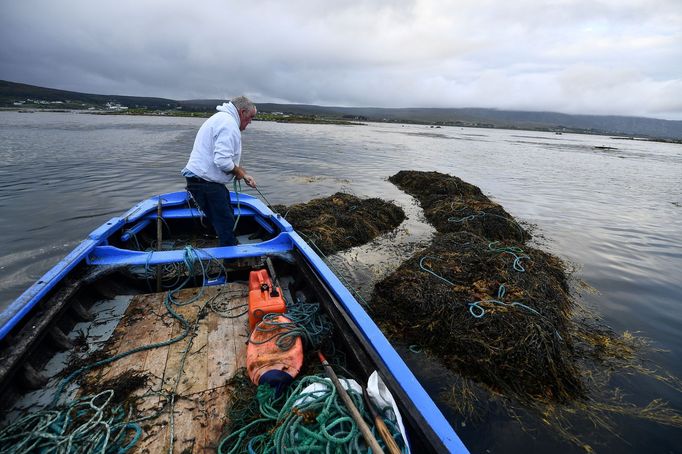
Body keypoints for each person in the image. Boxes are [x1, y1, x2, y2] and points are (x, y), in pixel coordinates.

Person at [181, 96, 257, 247]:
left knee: (225, 212)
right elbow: (222, 161)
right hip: (205, 183)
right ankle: (231, 260)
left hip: (203, 181)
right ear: (242, 112)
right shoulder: (229, 124)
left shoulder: (222, 119)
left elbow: (224, 159)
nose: (251, 122)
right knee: (226, 222)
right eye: (250, 117)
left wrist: (242, 173)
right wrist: (238, 172)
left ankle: (219, 241)